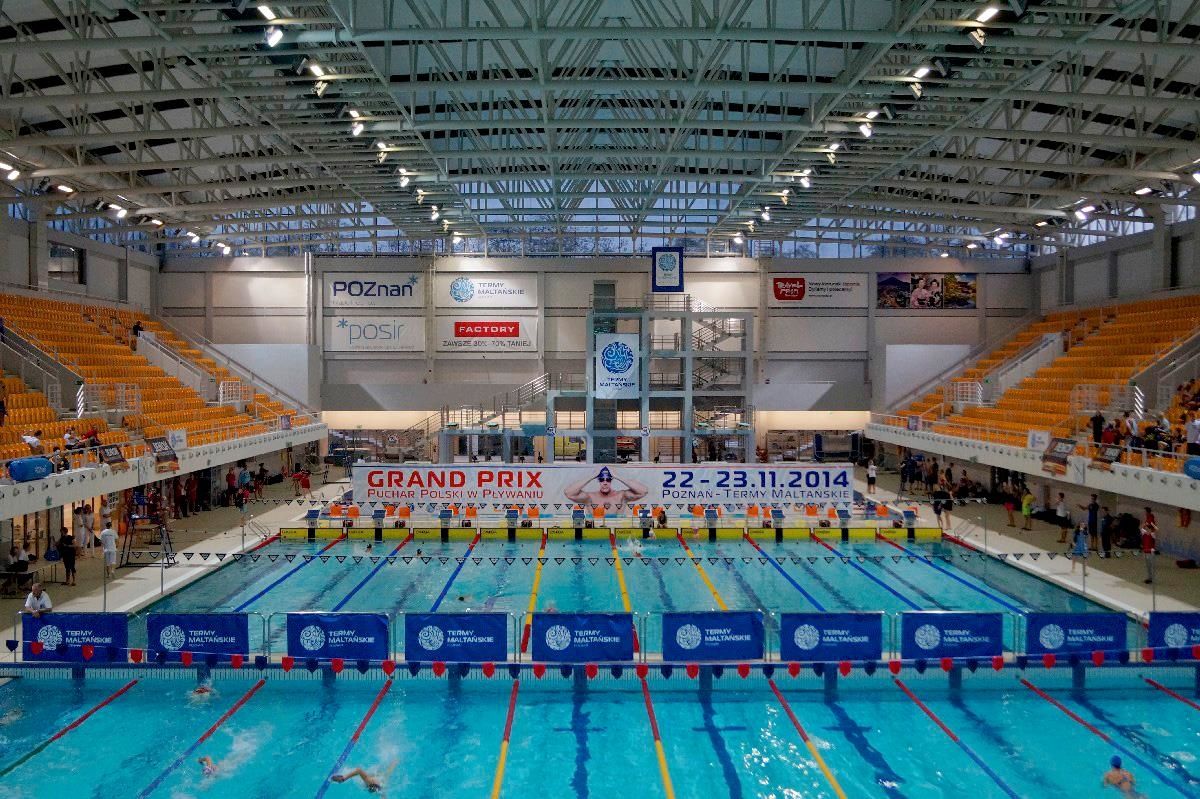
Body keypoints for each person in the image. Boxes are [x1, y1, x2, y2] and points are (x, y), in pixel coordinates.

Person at [563, 467, 648, 508]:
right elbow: (568, 493)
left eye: (608, 480)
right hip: (596, 531)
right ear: (598, 481)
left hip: (617, 529)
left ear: (611, 481)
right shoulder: (590, 497)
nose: (605, 483)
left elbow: (643, 491)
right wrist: (592, 476)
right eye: (602, 480)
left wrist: (617, 476)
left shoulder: (621, 496)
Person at [330, 762, 398, 794]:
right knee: (387, 772)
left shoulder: (370, 781)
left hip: (372, 784)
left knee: (386, 772)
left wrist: (344, 778)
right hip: (374, 785)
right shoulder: (381, 784)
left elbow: (358, 770)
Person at [1141, 516, 1157, 585]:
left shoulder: (1152, 534)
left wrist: (1152, 524)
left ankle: (1152, 578)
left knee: (1151, 566)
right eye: (1146, 529)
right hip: (1145, 552)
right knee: (1147, 566)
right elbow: (1141, 528)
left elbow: (1156, 529)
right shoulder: (1144, 534)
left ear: (1150, 529)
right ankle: (1149, 578)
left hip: (1151, 553)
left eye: (1148, 529)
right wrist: (1145, 524)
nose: (1147, 530)